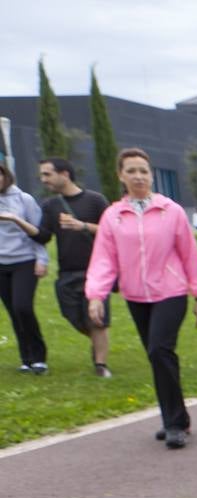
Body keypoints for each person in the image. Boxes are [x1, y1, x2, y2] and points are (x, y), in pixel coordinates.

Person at [84, 148, 197, 448]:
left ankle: (176, 423)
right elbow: (104, 259)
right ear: (121, 176)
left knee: (159, 350)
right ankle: (173, 418)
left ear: (151, 175)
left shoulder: (171, 211)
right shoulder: (113, 216)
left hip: (171, 291)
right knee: (158, 357)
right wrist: (96, 295)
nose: (139, 176)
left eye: (144, 170)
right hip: (136, 295)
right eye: (132, 171)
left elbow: (189, 254)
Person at [35, 158, 113, 377]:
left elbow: (112, 230)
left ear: (65, 174)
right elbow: (43, 236)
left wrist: (83, 226)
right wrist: (17, 222)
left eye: (47, 174)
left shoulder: (95, 200)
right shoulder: (50, 206)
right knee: (73, 317)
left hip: (96, 272)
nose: (43, 179)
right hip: (66, 273)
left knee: (97, 320)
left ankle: (101, 365)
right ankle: (99, 343)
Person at [0, 162, 52, 373]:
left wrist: (42, 260)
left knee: (23, 307)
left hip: (24, 261)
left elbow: (39, 233)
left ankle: (39, 356)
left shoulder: (24, 199)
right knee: (13, 312)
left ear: (5, 176)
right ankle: (26, 358)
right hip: (1, 264)